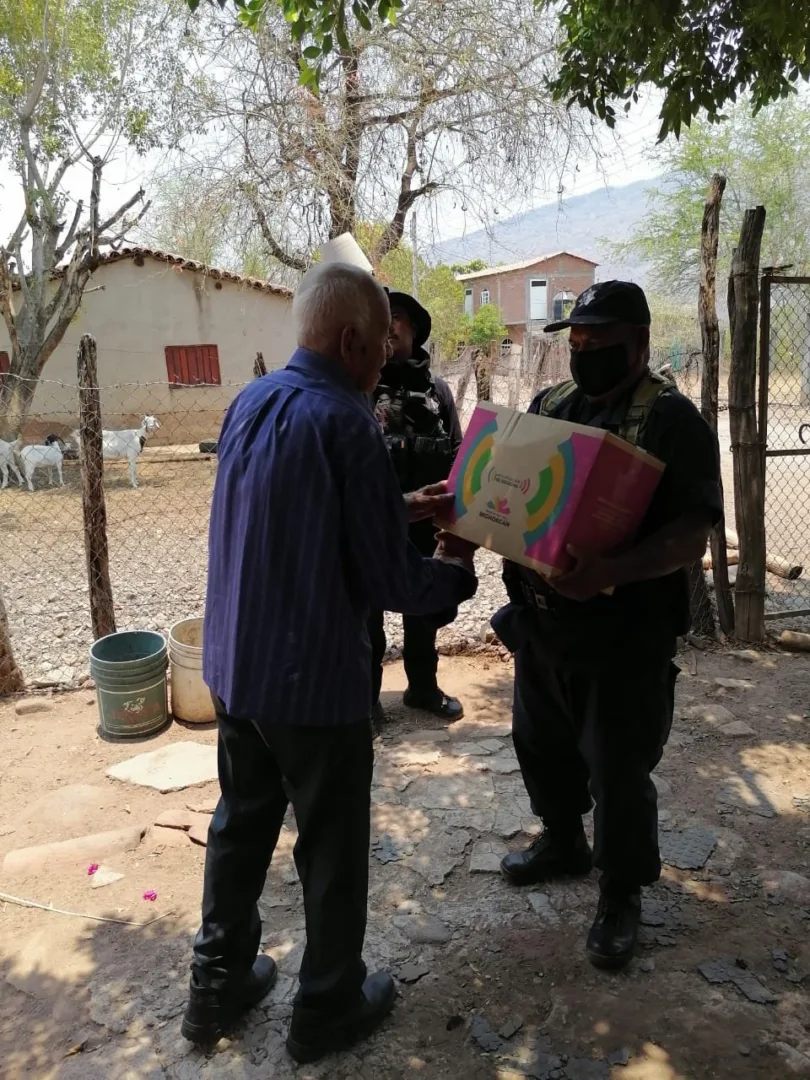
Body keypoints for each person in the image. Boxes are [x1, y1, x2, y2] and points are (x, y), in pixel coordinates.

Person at [181, 262, 477, 1063]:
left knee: (241, 825)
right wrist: (455, 559)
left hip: (238, 670)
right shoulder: (349, 421)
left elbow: (301, 513)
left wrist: (401, 505)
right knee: (333, 846)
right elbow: (392, 584)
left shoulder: (252, 401)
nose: (386, 359)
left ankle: (216, 986)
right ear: (351, 342)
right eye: (381, 345)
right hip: (312, 682)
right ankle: (327, 1004)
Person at [493, 281, 723, 971]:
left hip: (624, 636)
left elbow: (692, 534)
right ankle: (564, 839)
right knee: (540, 742)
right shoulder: (550, 406)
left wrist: (612, 570)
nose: (585, 355)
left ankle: (621, 890)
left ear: (640, 343)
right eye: (578, 344)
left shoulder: (673, 422)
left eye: (601, 344)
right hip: (544, 624)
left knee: (619, 770)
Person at [368, 289, 465, 723]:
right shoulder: (361, 385)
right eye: (380, 316)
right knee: (367, 616)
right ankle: (366, 701)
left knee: (423, 611)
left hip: (425, 522)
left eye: (396, 316)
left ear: (414, 328)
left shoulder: (437, 390)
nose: (388, 324)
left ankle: (422, 689)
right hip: (373, 521)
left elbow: (459, 453)